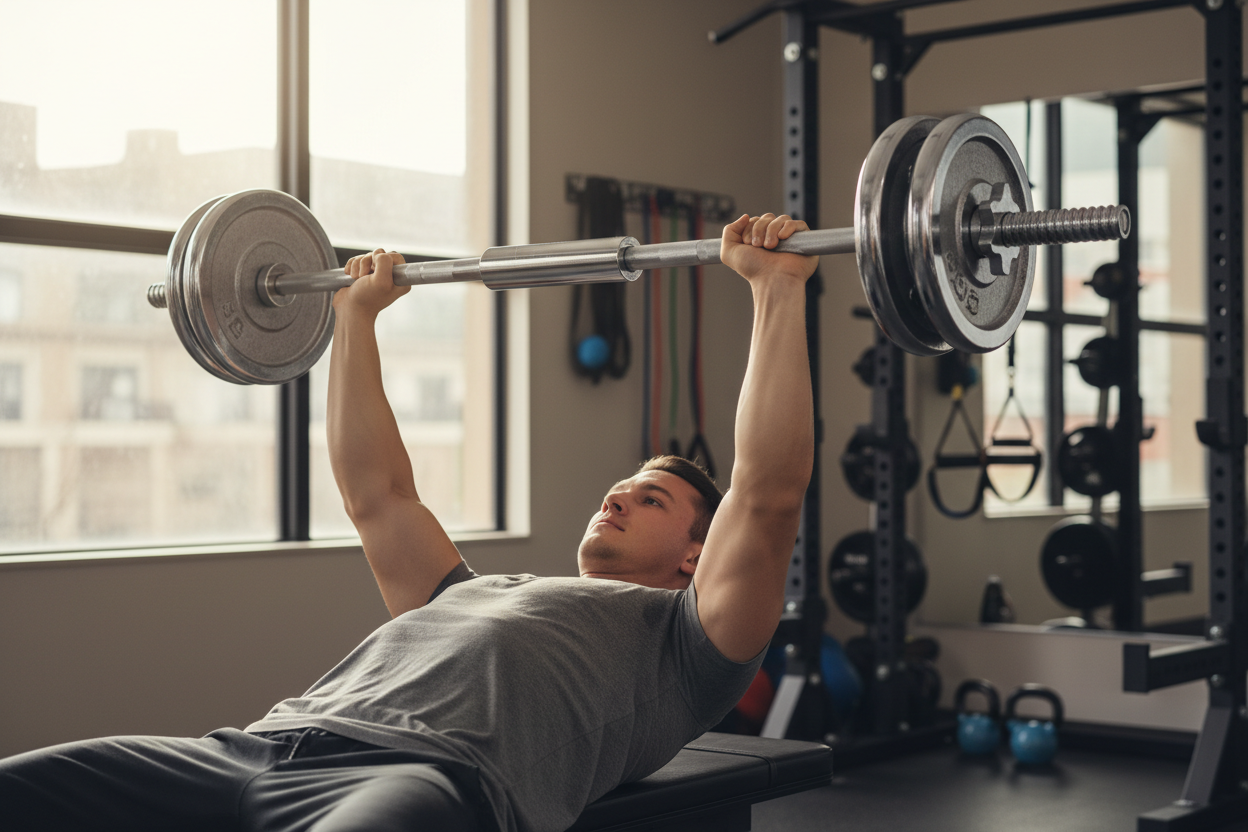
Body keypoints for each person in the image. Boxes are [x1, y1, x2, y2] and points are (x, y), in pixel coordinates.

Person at [1, 212, 816, 832]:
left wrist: (774, 291)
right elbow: (377, 494)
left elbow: (768, 490)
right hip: (253, 748)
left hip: (423, 779)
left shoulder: (689, 644)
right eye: (620, 485)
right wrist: (355, 318)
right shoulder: (469, 591)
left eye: (651, 499)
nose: (617, 498)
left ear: (694, 557)